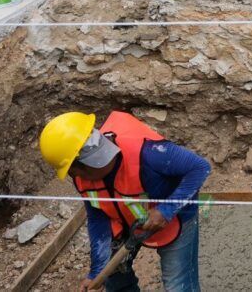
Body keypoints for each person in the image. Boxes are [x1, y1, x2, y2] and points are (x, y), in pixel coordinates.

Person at [39, 111, 211, 291]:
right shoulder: (82, 177)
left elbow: (200, 167)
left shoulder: (149, 154)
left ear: (84, 162)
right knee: (115, 281)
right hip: (126, 220)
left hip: (176, 215)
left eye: (72, 170)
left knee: (179, 285)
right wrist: (97, 270)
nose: (72, 176)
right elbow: (97, 218)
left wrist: (166, 210)